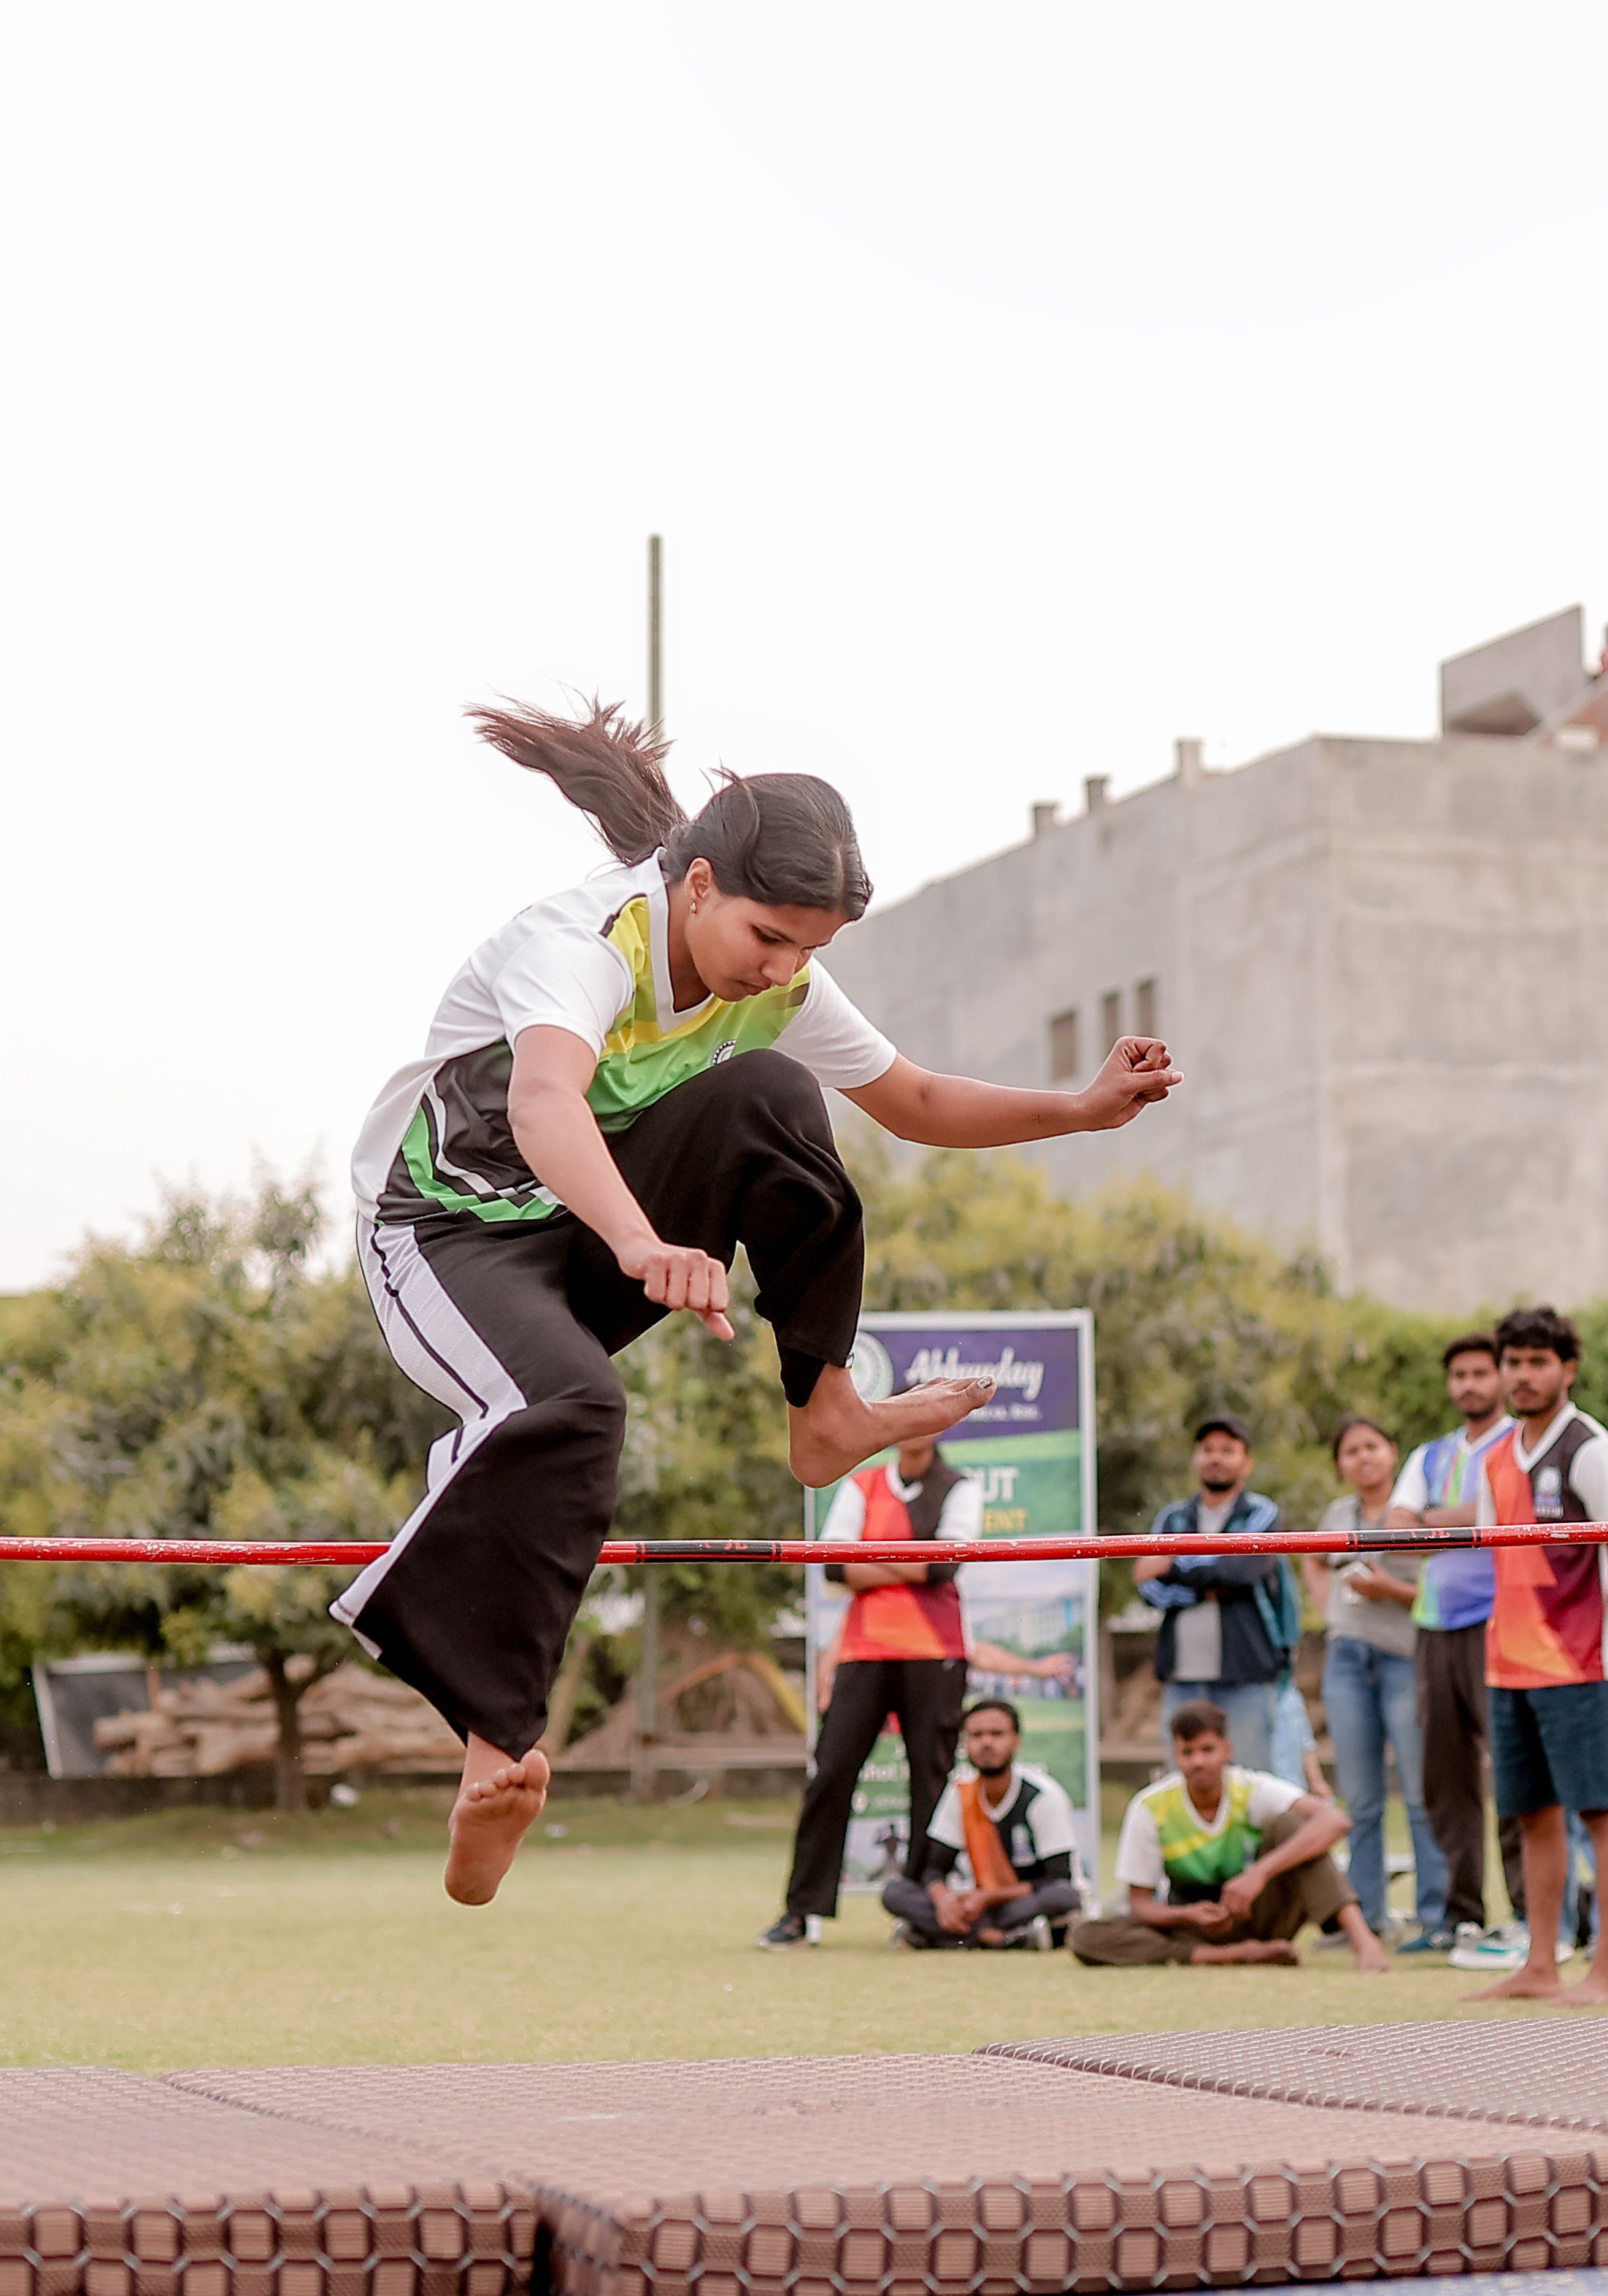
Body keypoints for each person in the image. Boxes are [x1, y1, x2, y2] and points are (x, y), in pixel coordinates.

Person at [326, 703, 1177, 1910]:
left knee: (773, 1093)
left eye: (804, 950)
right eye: (768, 937)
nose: (780, 970)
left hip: (584, 1233)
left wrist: (1077, 1110)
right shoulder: (580, 946)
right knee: (570, 1405)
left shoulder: (776, 981)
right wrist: (642, 1243)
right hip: (443, 1236)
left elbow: (915, 1101)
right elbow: (546, 1103)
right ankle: (493, 1760)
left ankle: (824, 1411)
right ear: (697, 885)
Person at [1461, 1305, 1608, 2006]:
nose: (1523, 1375)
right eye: (1513, 1362)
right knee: (1531, 1814)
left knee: (1599, 1809)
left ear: (1567, 1369)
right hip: (1507, 1664)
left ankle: (1606, 1971)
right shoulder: (1495, 1455)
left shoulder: (1589, 1448)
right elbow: (1495, 1556)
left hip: (1577, 1664)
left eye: (1538, 1361)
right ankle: (1540, 1962)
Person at [771, 1429, 982, 1950]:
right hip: (863, 1651)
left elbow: (944, 1565)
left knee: (929, 1782)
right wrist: (912, 1562)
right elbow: (833, 1564)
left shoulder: (959, 1486)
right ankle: (801, 1912)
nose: (915, 1428)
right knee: (830, 1773)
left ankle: (919, 1911)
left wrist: (871, 1561)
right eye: (906, 1415)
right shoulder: (862, 1485)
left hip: (934, 1651)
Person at [1072, 1702, 1388, 1967]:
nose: (1198, 1762)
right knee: (1086, 1937)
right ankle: (1230, 1955)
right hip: (1193, 1929)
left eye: (1207, 1750)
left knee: (1293, 1826)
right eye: (1187, 1752)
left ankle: (1363, 1942)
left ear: (1227, 1750)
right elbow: (1140, 1904)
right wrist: (1187, 1915)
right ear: (1175, 1755)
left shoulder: (1250, 1789)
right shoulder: (1151, 1806)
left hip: (1259, 1914)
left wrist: (1259, 1875)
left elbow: (1334, 1821)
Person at [1388, 1335, 1509, 1946]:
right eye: (1458, 1374)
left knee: (1514, 1771)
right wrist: (1466, 1517)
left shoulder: (1518, 1445)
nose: (1468, 1384)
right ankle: (1460, 1915)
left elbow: (1506, 1517)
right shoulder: (1429, 1455)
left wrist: (1432, 1519)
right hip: (1434, 1625)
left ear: (1501, 1377)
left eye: (1479, 1372)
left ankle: (1533, 1916)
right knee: (1445, 1777)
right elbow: (1394, 1530)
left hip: (1501, 1621)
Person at [1311, 1413, 1444, 1946]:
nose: (1363, 1458)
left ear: (1393, 1452)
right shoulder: (1337, 1514)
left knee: (1418, 1791)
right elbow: (1314, 1561)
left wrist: (1391, 1592)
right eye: (1351, 1451)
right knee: (1361, 1799)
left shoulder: (1416, 1514)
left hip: (1405, 1656)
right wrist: (1327, 1608)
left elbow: (1443, 1588)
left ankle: (1435, 1916)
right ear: (1340, 1465)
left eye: (1372, 1446)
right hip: (1347, 1658)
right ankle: (1364, 1916)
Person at [1131, 1417, 1304, 1775]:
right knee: (1183, 1782)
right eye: (1208, 1450)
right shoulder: (1173, 1518)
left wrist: (1173, 1563)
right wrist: (1202, 1589)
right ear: (1196, 1459)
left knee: (1252, 1781)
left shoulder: (1261, 1514)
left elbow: (1240, 1570)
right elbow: (1147, 1584)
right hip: (1181, 1674)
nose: (1216, 1458)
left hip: (1247, 1674)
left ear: (1247, 1462)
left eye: (1228, 1450)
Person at [882, 1699, 1082, 1950]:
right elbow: (933, 1869)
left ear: (1016, 1740)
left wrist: (988, 1898)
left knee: (1062, 1896)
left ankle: (940, 1935)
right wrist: (944, 1901)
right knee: (895, 1893)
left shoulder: (1042, 1796)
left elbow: (1058, 1877)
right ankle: (1004, 1938)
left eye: (997, 1734)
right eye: (976, 1735)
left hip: (1018, 1901)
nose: (986, 1743)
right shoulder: (960, 1792)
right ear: (965, 1743)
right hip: (978, 1906)